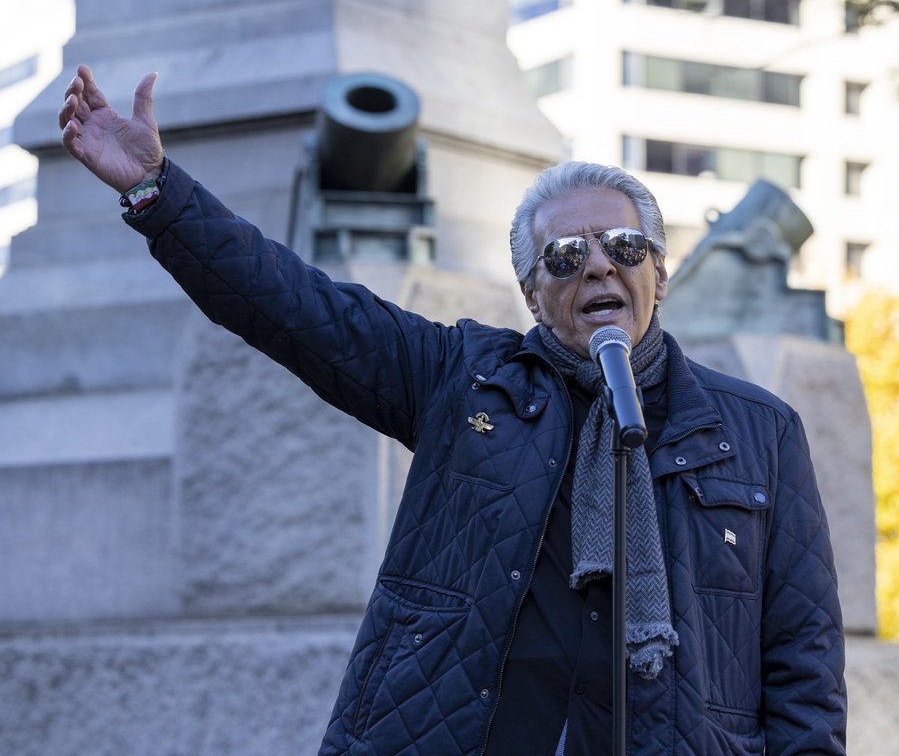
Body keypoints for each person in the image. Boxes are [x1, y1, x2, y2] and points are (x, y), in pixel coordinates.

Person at [60, 64, 846, 755]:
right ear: (535, 298)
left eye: (624, 246)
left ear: (660, 275)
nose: (600, 264)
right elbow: (294, 308)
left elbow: (802, 664)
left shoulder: (759, 431)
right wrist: (157, 193)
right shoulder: (465, 380)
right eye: (567, 258)